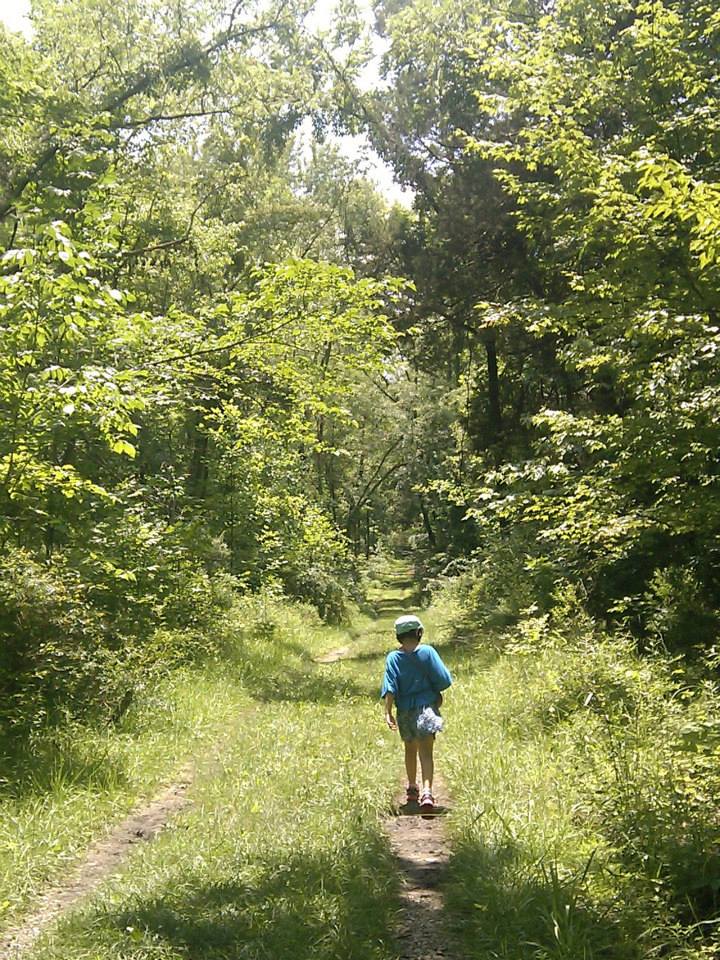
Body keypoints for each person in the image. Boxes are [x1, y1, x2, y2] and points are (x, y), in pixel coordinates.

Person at [380, 614, 452, 813]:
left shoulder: (393, 658)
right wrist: (432, 691)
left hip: (404, 711)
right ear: (419, 632)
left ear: (398, 636)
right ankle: (427, 792)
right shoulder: (428, 652)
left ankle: (412, 788)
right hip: (426, 708)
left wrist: (388, 712)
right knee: (426, 753)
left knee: (410, 749)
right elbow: (444, 679)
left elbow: (390, 687)